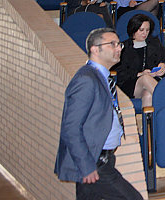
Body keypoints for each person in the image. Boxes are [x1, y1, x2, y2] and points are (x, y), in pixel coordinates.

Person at [55, 27, 142, 199]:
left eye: (119, 44)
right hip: (93, 162)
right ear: (95, 49)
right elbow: (71, 127)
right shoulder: (86, 80)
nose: (119, 48)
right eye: (113, 44)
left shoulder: (101, 77)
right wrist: (86, 166)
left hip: (101, 159)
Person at [114, 14, 165, 108]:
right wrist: (140, 74)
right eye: (141, 30)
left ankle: (149, 122)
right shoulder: (124, 48)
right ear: (133, 29)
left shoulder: (154, 43)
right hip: (131, 83)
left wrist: (164, 65)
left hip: (153, 82)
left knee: (148, 95)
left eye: (147, 30)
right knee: (145, 78)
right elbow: (120, 73)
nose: (145, 33)